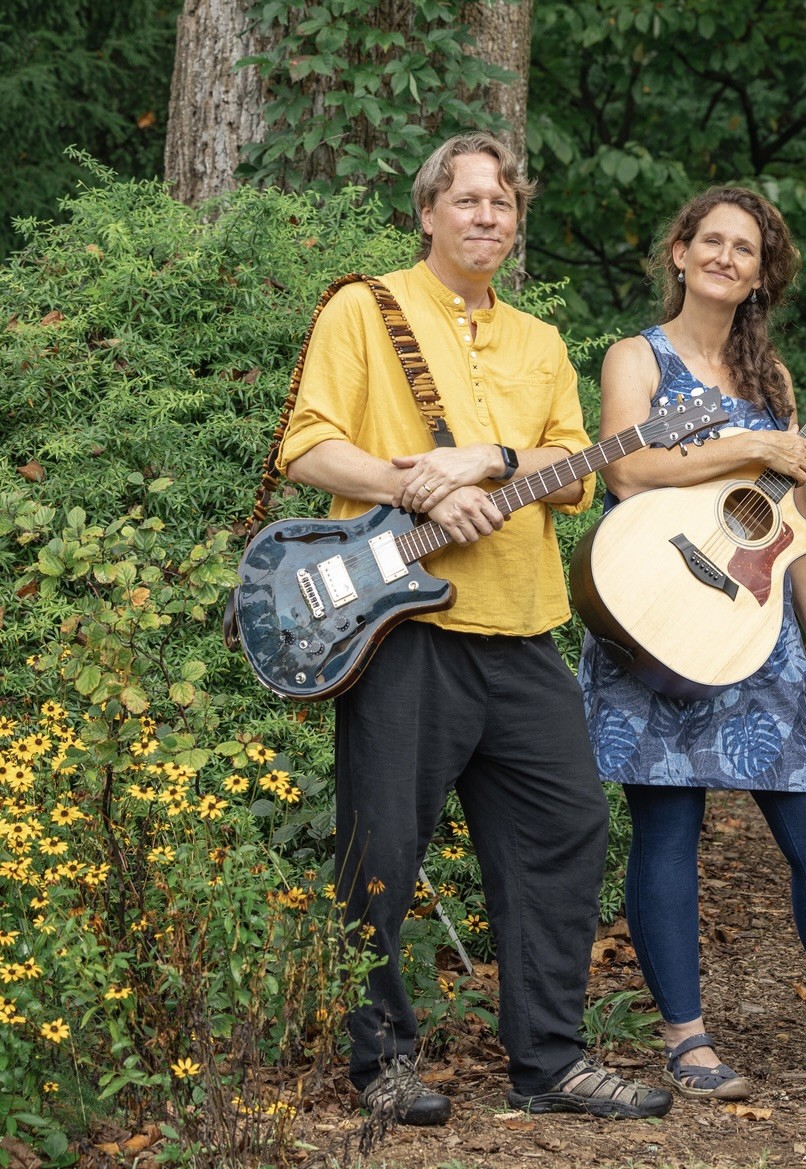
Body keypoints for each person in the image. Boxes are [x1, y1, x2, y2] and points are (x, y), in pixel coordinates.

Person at [279, 132, 671, 1124]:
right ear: (427, 212)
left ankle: (548, 1061)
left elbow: (576, 470)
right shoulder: (365, 309)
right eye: (468, 201)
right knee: (385, 843)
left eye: (503, 203)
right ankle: (383, 1062)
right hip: (401, 629)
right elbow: (309, 447)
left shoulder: (541, 341)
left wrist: (493, 457)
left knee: (568, 826)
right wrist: (414, 482)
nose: (487, 217)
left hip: (522, 626)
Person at [577, 186, 806, 1102]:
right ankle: (686, 1038)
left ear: (761, 274)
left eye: (748, 249)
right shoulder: (636, 355)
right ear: (681, 252)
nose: (729, 257)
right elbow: (625, 465)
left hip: (759, 622)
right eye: (714, 241)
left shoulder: (772, 385)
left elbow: (795, 526)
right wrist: (751, 452)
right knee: (669, 829)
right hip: (658, 614)